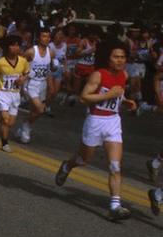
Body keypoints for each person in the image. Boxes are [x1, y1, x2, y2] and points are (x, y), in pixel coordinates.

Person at [54, 39, 137, 221]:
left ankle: (115, 206)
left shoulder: (124, 75)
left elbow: (117, 94)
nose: (120, 60)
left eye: (122, 57)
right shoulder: (98, 75)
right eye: (116, 57)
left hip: (113, 122)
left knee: (115, 165)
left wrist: (125, 101)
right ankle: (67, 165)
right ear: (107, 58)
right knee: (83, 160)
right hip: (95, 121)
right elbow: (84, 97)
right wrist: (109, 95)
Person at [0, 34, 30, 152]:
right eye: (12, 45)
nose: (15, 48)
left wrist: (23, 79)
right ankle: (5, 143)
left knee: (10, 123)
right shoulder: (0, 63)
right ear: (7, 47)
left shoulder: (23, 61)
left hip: (15, 94)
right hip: (3, 93)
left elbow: (26, 73)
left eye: (18, 45)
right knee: (6, 120)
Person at [16, 27, 58, 144]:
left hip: (42, 84)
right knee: (40, 109)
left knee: (36, 111)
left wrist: (51, 85)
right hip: (31, 84)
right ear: (39, 38)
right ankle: (26, 126)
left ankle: (23, 128)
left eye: (48, 37)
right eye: (44, 36)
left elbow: (49, 70)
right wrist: (21, 82)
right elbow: (21, 65)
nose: (46, 39)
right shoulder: (31, 52)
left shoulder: (51, 52)